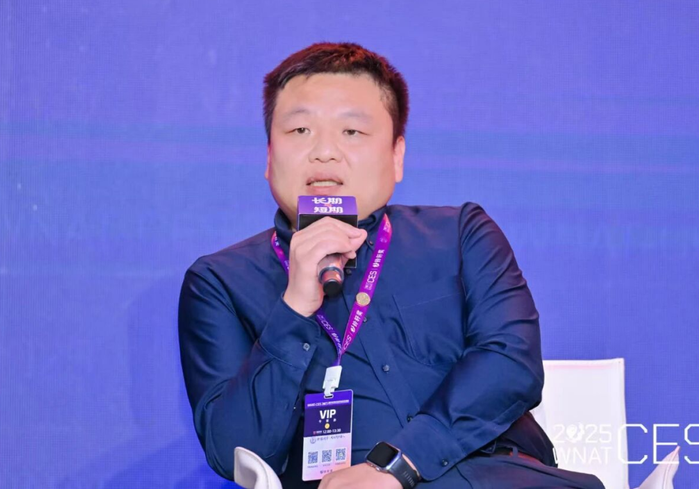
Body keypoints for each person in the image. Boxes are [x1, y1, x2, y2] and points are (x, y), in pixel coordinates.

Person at [178, 42, 604, 488]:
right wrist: (293, 308)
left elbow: (511, 364)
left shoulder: (461, 235)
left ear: (397, 156)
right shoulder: (219, 282)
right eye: (300, 129)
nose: (325, 151)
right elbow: (237, 453)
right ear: (269, 157)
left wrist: (399, 464)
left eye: (352, 131)